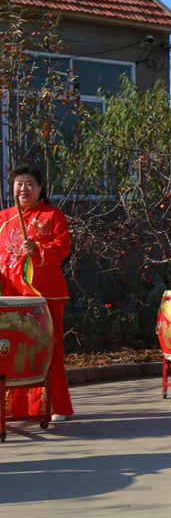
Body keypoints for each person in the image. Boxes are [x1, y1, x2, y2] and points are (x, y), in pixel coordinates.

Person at [0, 165, 73, 421]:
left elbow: (62, 247)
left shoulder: (53, 215)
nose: (24, 189)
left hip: (45, 295)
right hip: (11, 296)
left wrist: (38, 251)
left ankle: (56, 405)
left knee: (49, 349)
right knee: (10, 351)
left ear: (40, 188)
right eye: (19, 183)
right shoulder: (3, 217)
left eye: (30, 183)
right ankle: (12, 408)